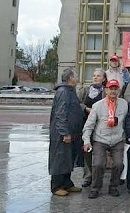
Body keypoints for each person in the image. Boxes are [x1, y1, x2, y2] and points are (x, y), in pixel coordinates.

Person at [82, 79, 128, 199]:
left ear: (118, 90)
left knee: (118, 164)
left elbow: (127, 123)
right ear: (106, 90)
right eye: (110, 88)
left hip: (117, 139)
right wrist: (86, 141)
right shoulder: (97, 106)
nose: (113, 91)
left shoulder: (124, 104)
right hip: (100, 139)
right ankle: (95, 188)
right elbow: (89, 125)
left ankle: (113, 187)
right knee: (98, 164)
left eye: (115, 89)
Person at [49, 68, 84, 196]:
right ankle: (56, 186)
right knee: (60, 158)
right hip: (62, 134)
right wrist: (64, 133)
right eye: (76, 76)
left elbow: (75, 106)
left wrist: (85, 109)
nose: (78, 78)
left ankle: (67, 183)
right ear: (70, 78)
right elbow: (60, 113)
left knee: (68, 159)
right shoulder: (63, 91)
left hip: (72, 132)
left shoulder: (70, 91)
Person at [78, 68, 106, 188]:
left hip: (101, 125)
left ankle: (98, 176)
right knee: (87, 151)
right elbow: (77, 102)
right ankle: (88, 176)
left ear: (104, 78)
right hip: (86, 124)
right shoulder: (85, 90)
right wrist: (85, 108)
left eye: (98, 76)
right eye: (94, 75)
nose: (95, 77)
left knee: (100, 152)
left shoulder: (106, 91)